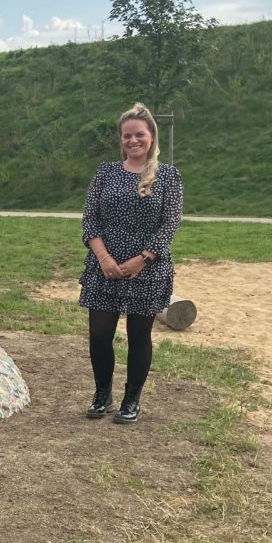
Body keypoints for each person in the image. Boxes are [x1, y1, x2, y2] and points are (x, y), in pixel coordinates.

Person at [78, 102, 183, 424]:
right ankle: (102, 394)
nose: (133, 140)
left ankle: (131, 399)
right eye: (127, 135)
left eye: (139, 134)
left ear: (151, 136)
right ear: (121, 139)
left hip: (147, 269)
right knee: (99, 334)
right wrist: (104, 258)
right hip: (104, 267)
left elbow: (170, 224)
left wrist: (143, 259)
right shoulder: (106, 172)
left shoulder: (168, 176)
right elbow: (90, 219)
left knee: (139, 336)